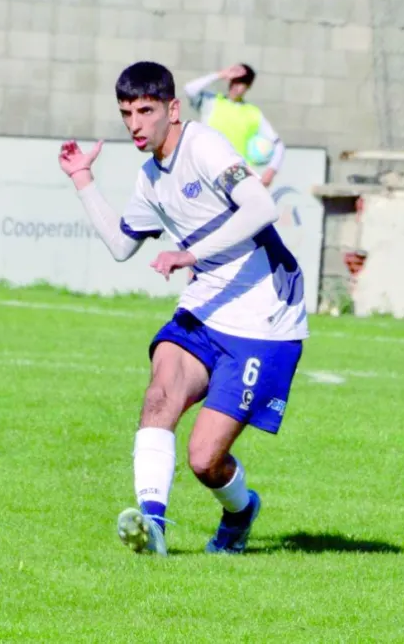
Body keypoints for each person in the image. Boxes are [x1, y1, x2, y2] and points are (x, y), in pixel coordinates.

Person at [58, 61, 308, 556]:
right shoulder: (150, 177)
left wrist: (192, 254)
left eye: (145, 110)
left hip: (265, 315)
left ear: (173, 109)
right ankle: (153, 527)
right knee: (159, 396)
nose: (134, 124)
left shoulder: (204, 146)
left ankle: (240, 511)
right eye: (126, 112)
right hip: (205, 304)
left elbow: (262, 208)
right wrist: (83, 179)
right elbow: (120, 245)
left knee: (204, 460)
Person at [183, 63, 286, 188]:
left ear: (248, 86)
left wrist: (271, 171)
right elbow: (189, 89)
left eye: (241, 83)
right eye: (234, 81)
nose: (235, 87)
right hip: (204, 171)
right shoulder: (212, 102)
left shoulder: (253, 113)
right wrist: (220, 74)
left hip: (235, 177)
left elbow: (278, 145)